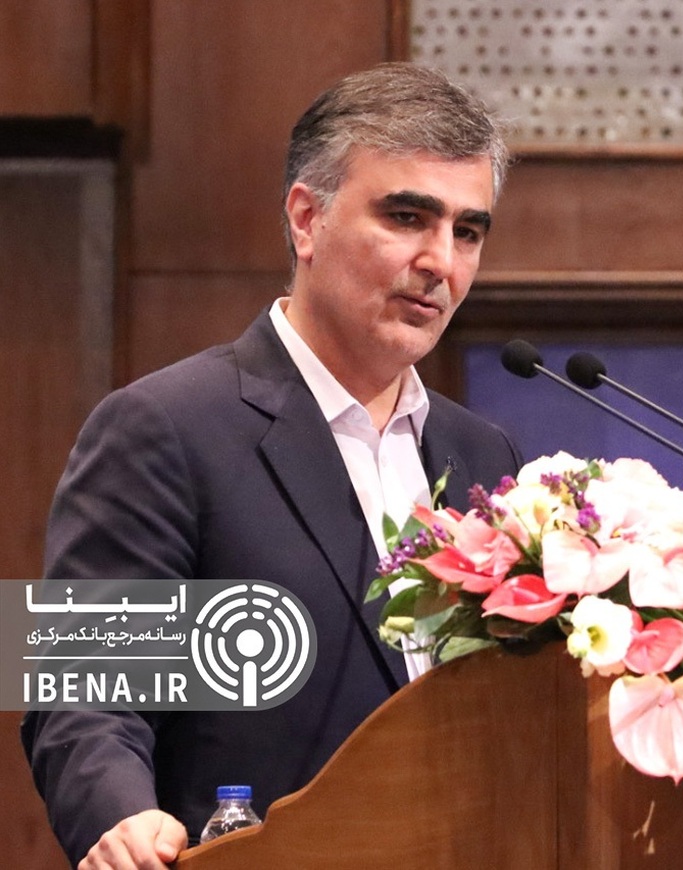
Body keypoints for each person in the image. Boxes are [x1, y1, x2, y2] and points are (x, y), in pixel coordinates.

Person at [22, 62, 522, 869]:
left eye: (467, 231)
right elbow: (82, 694)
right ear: (306, 219)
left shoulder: (484, 454)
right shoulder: (164, 427)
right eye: (406, 217)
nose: (441, 261)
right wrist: (123, 818)